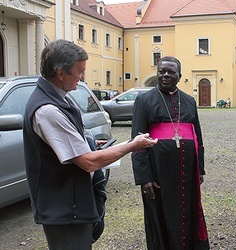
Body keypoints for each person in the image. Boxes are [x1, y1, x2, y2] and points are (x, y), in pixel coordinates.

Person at [23, 39, 157, 250]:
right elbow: (87, 163)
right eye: (79, 71)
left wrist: (89, 142)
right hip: (64, 210)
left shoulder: (61, 98)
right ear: (60, 73)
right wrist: (133, 145)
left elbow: (69, 142)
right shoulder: (47, 110)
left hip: (70, 205)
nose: (82, 77)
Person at [131, 56, 210, 249]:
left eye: (171, 72)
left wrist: (199, 169)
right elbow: (137, 142)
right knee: (160, 215)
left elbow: (197, 137)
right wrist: (144, 177)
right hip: (158, 172)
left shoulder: (189, 101)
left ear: (179, 76)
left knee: (188, 212)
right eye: (161, 71)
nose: (166, 75)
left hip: (186, 173)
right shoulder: (144, 100)